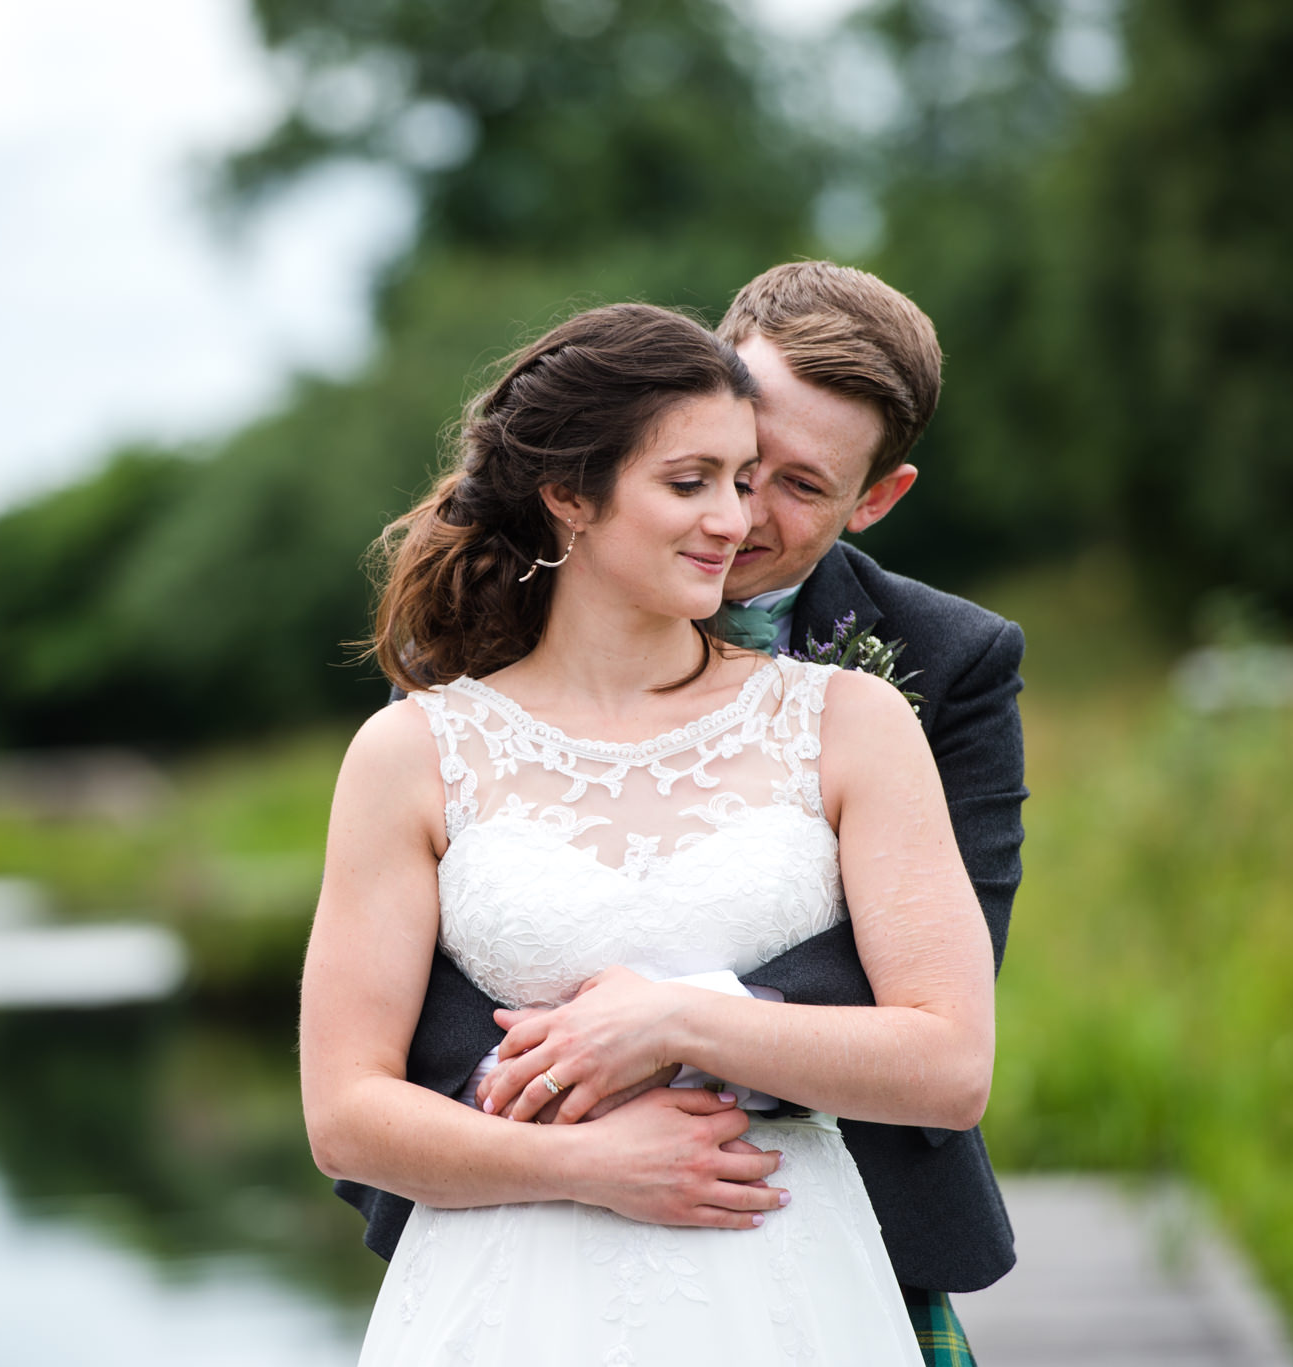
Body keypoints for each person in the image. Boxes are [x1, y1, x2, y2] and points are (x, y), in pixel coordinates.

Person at [332, 262, 1027, 1366]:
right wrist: (572, 1123)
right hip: (509, 1239)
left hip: (824, 1224)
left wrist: (671, 1020)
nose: (737, 514)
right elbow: (387, 1032)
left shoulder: (915, 680)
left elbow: (941, 997)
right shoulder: (449, 685)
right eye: (708, 466)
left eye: (788, 483)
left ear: (875, 497)